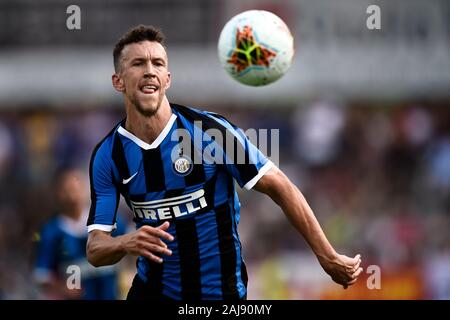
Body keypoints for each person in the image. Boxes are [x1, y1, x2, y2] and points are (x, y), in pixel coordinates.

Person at [86, 25, 363, 300]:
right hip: (153, 291)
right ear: (118, 81)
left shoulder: (211, 133)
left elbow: (281, 187)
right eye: (138, 63)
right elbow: (95, 249)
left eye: (157, 63)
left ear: (167, 79)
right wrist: (126, 242)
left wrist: (327, 256)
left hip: (218, 294)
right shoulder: (109, 155)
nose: (149, 70)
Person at [34, 168, 125, 299]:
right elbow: (42, 275)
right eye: (67, 190)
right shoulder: (52, 232)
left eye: (75, 189)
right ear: (58, 194)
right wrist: (62, 288)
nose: (72, 195)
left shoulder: (108, 220)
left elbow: (133, 245)